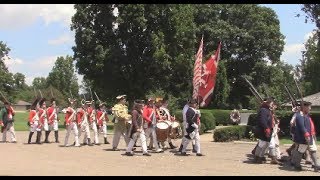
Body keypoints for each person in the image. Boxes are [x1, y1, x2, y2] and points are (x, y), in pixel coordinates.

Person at [290, 101, 320, 171]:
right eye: (309, 107)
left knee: (313, 150)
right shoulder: (299, 115)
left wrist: (312, 134)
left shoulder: (306, 115)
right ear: (304, 107)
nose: (310, 108)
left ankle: (316, 165)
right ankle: (296, 165)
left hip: (310, 136)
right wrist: (306, 134)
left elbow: (310, 125)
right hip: (303, 137)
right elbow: (301, 126)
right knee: (300, 151)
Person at [253, 97, 280, 164]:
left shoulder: (267, 110)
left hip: (268, 130)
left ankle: (272, 158)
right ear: (268, 103)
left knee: (271, 144)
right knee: (262, 144)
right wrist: (266, 128)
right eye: (271, 103)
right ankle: (257, 157)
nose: (272, 104)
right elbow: (262, 120)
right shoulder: (263, 110)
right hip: (264, 130)